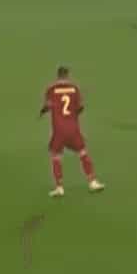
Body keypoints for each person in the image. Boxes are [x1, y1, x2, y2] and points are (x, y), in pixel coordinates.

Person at [40, 65, 104, 196]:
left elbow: (47, 105)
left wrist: (43, 111)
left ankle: (59, 187)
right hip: (73, 128)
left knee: (56, 156)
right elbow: (80, 107)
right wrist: (73, 114)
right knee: (83, 153)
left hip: (59, 130)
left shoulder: (51, 88)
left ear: (58, 75)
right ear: (67, 75)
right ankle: (92, 182)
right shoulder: (74, 88)